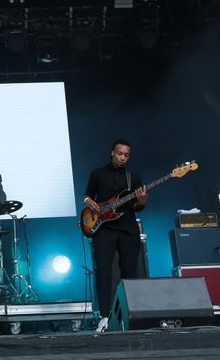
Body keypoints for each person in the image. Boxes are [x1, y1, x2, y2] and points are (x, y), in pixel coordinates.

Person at [83, 139, 147, 333]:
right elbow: (87, 196)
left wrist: (142, 201)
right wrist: (90, 202)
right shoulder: (98, 173)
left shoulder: (133, 177)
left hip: (128, 229)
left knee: (130, 273)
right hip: (103, 229)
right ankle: (104, 316)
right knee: (103, 272)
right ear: (112, 153)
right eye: (120, 153)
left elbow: (138, 207)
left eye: (127, 155)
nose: (123, 157)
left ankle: (131, 315)